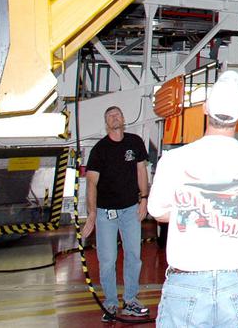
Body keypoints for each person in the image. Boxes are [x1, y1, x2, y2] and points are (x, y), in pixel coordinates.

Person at [149, 70, 238, 328]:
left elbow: (158, 212)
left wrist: (192, 210)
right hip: (236, 287)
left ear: (205, 108)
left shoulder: (173, 160)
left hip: (186, 284)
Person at [80, 105, 150, 323]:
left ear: (123, 119)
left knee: (134, 256)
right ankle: (110, 303)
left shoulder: (135, 142)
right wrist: (92, 214)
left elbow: (141, 170)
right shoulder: (99, 150)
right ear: (106, 123)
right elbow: (91, 183)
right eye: (110, 116)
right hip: (105, 213)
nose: (114, 117)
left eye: (117, 114)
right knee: (108, 260)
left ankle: (130, 301)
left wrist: (144, 199)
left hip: (130, 210)